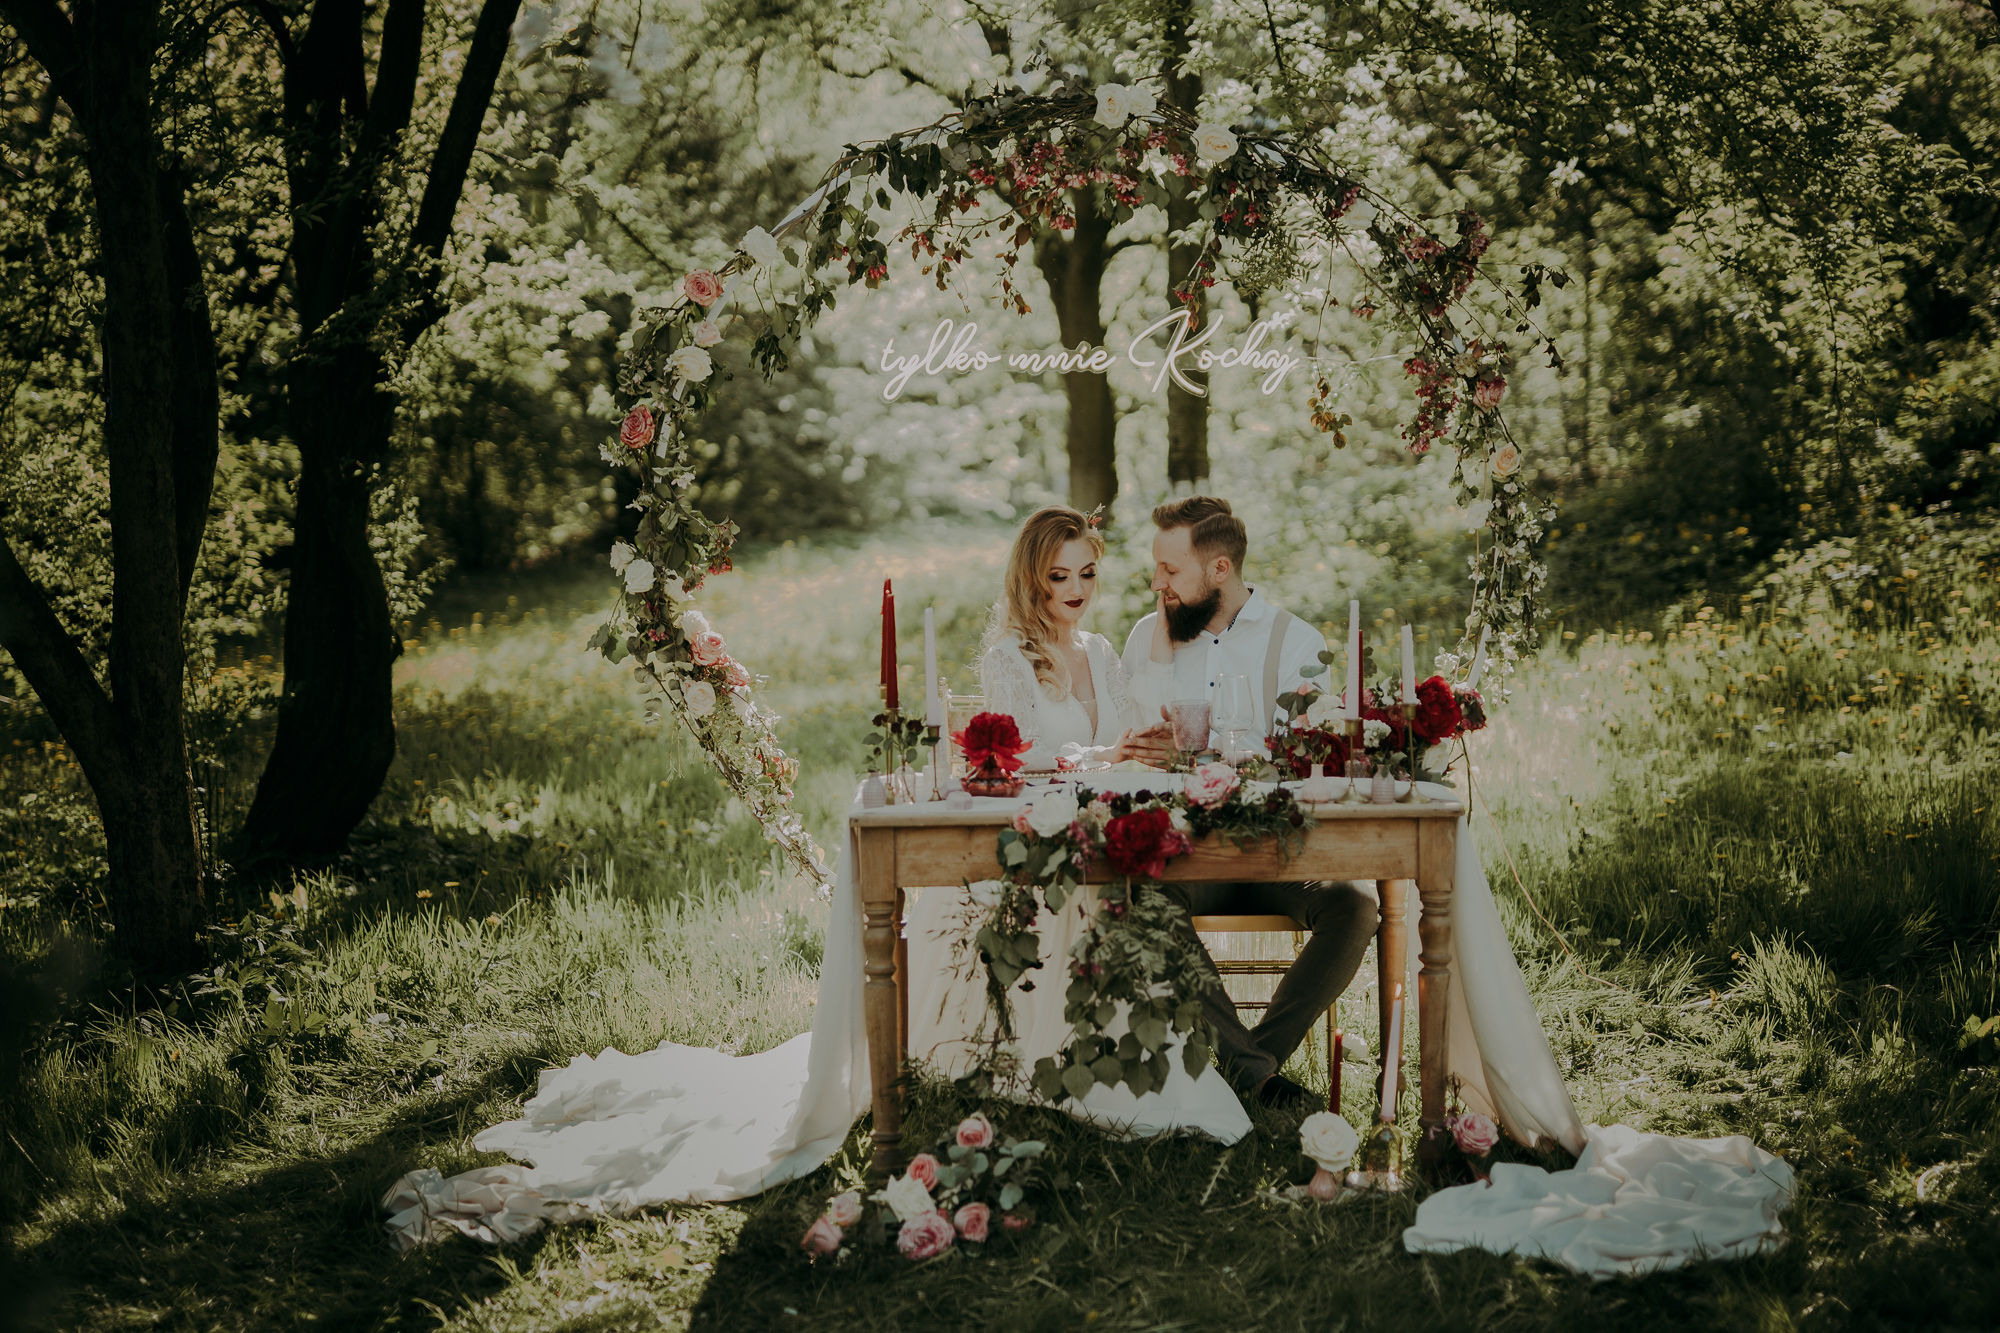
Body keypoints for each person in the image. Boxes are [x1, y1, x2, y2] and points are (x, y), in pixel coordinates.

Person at [903, 505, 1244, 1139]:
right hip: (1035, 832)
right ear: (1032, 580)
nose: (1077, 592)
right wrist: (1101, 756)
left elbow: (1126, 728)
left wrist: (1142, 742)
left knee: (1135, 892)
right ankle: (1043, 1059)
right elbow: (1019, 756)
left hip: (1100, 828)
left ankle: (1135, 1061)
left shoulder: (1101, 649)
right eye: (1060, 577)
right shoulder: (1009, 658)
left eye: (1087, 574)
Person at [1121, 495, 1377, 1108]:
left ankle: (1246, 1066)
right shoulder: (1146, 637)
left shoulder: (1295, 641)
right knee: (1144, 903)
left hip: (1273, 854)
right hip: (1185, 857)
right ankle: (1260, 1082)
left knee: (1356, 907)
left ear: (1219, 570)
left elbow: (1314, 755)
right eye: (1156, 569)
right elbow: (1125, 746)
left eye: (1170, 571)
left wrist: (1222, 756)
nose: (1157, 584)